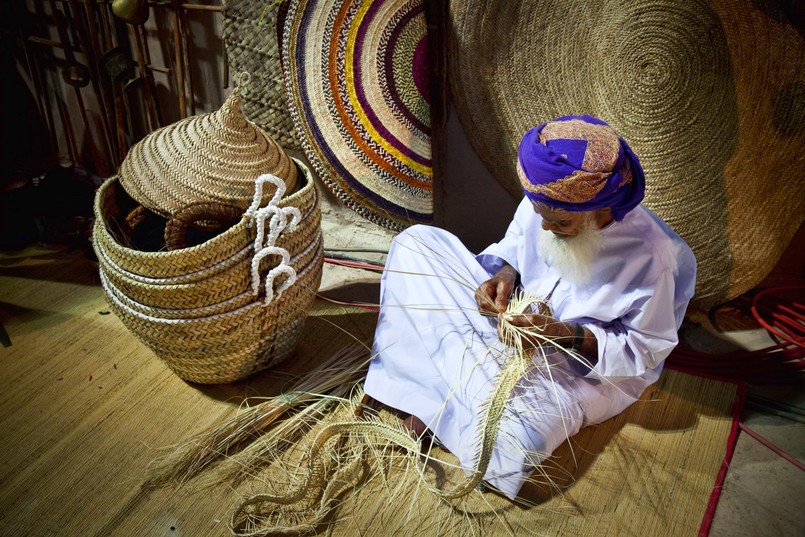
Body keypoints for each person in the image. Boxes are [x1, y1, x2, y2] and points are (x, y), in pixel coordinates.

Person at [363, 115, 696, 500]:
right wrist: (503, 275)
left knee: (522, 440)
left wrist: (565, 335)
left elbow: (644, 349)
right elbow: (516, 245)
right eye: (540, 215)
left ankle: (435, 395)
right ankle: (453, 401)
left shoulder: (653, 258)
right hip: (508, 331)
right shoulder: (548, 201)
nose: (544, 228)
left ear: (599, 211)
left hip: (572, 375)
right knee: (414, 245)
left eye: (559, 223)